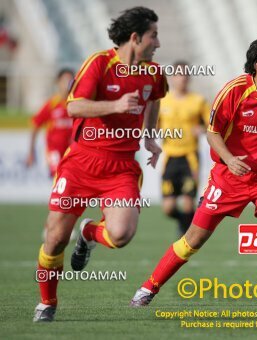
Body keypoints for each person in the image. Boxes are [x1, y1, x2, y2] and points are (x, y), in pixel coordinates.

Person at [130, 37, 257, 306]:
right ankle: (148, 288)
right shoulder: (234, 91)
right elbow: (212, 132)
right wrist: (229, 159)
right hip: (228, 177)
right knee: (192, 240)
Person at [33, 6, 167, 322]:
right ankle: (47, 303)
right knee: (54, 240)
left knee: (121, 234)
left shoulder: (153, 73)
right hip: (81, 162)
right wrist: (115, 105)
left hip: (121, 167)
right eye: (153, 36)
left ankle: (89, 233)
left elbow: (155, 97)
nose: (158, 44)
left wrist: (149, 136)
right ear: (135, 38)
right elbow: (74, 106)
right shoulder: (99, 64)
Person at [159, 61, 210, 236]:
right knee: (168, 208)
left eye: (185, 75)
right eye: (179, 75)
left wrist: (202, 129)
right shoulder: (162, 101)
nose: (182, 79)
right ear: (172, 78)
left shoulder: (198, 101)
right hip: (170, 158)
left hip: (190, 158)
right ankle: (183, 222)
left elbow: (213, 125)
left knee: (188, 202)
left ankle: (187, 237)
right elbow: (152, 126)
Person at [26, 69, 74, 177]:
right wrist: (31, 152)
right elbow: (35, 125)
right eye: (65, 80)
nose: (67, 83)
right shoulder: (52, 104)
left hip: (72, 151)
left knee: (70, 179)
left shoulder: (77, 104)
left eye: (70, 80)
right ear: (58, 82)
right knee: (58, 177)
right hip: (54, 151)